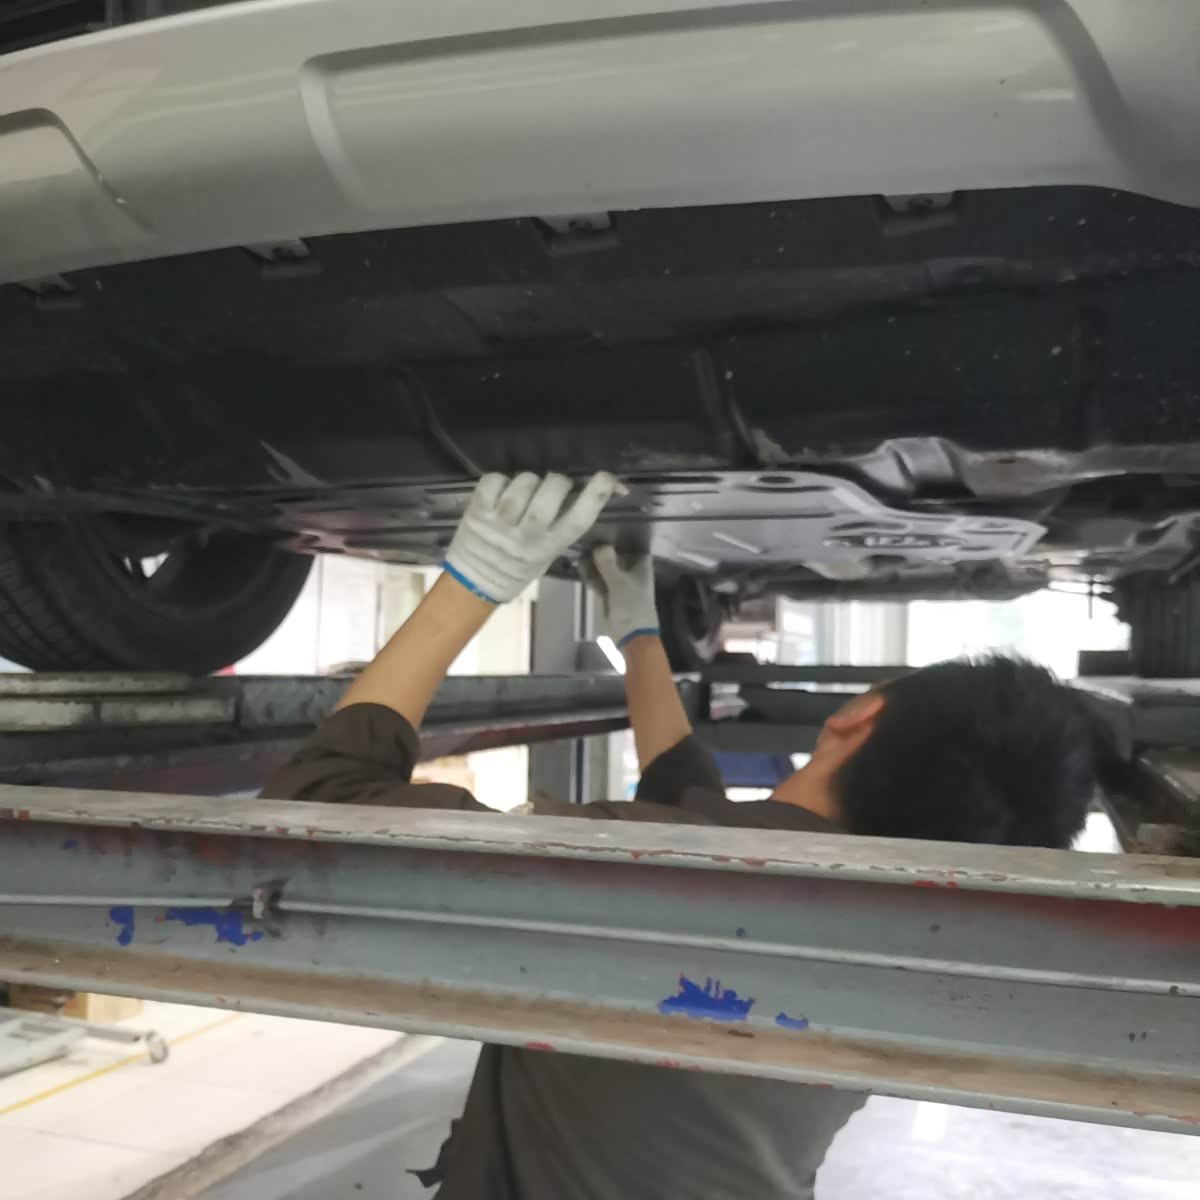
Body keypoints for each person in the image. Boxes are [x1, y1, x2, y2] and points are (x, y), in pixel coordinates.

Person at [263, 471, 1105, 1200]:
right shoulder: (907, 955)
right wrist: (641, 638)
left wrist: (469, 583)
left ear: (859, 715)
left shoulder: (611, 876)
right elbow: (689, 799)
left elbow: (313, 808)